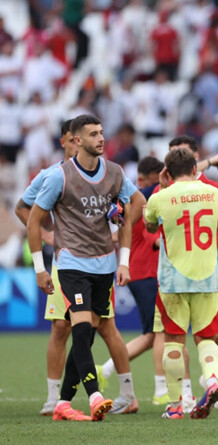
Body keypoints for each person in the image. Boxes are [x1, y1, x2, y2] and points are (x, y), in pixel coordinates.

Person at [27, 114, 145, 421]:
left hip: (105, 264)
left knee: (89, 333)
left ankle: (64, 402)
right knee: (76, 329)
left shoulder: (116, 173)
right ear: (76, 141)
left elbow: (128, 213)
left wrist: (123, 262)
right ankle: (94, 396)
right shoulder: (58, 176)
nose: (101, 138)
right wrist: (40, 268)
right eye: (93, 134)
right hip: (71, 264)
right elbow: (33, 219)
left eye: (102, 132)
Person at [151, 135, 218, 411]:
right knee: (207, 337)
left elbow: (150, 227)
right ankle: (212, 382)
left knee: (173, 339)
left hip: (172, 279)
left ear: (167, 172)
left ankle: (175, 406)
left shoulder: (160, 196)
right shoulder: (216, 192)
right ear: (196, 168)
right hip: (207, 276)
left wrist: (163, 188)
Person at [97, 156, 168, 408]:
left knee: (153, 334)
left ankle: (104, 370)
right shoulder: (147, 198)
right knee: (158, 332)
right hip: (146, 272)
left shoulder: (137, 200)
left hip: (142, 272)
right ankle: (161, 390)